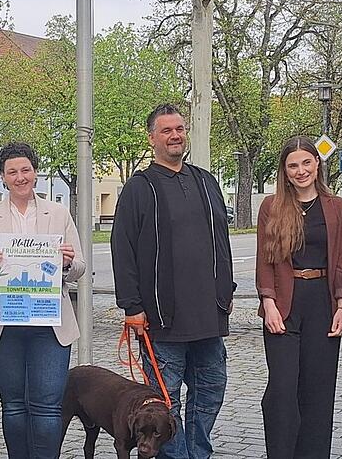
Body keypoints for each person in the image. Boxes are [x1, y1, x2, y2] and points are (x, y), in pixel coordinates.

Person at [111, 103, 235, 459]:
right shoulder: (139, 187)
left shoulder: (205, 181)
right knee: (167, 405)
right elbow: (123, 249)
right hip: (161, 320)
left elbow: (222, 242)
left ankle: (196, 453)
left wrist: (225, 292)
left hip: (209, 317)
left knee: (210, 392)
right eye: (166, 130)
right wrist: (131, 306)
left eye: (179, 128)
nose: (175, 135)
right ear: (152, 138)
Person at [0, 141, 84, 459]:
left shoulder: (58, 214)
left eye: (25, 169)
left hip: (49, 322)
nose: (20, 177)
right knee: (13, 407)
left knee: (48, 408)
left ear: (36, 173)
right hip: (4, 323)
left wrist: (67, 262)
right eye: (12, 172)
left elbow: (80, 267)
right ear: (2, 177)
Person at [255, 137, 342, 459]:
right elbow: (264, 259)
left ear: (317, 164)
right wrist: (268, 302)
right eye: (293, 165)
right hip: (284, 303)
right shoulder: (272, 206)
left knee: (318, 392)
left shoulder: (336, 207)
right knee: (282, 392)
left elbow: (341, 260)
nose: (300, 171)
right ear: (285, 171)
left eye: (306, 163)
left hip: (321, 303)